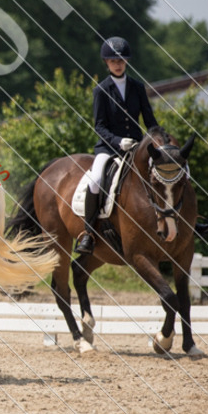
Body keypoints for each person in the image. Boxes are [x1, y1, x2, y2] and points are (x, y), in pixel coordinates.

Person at [75, 37, 159, 255]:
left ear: (126, 62)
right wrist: (117, 141)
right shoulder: (101, 90)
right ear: (106, 62)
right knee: (95, 181)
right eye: (113, 60)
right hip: (109, 149)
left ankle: (187, 223)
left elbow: (149, 120)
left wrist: (158, 140)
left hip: (138, 147)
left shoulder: (138, 88)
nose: (118, 63)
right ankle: (88, 233)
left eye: (121, 60)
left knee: (170, 170)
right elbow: (99, 126)